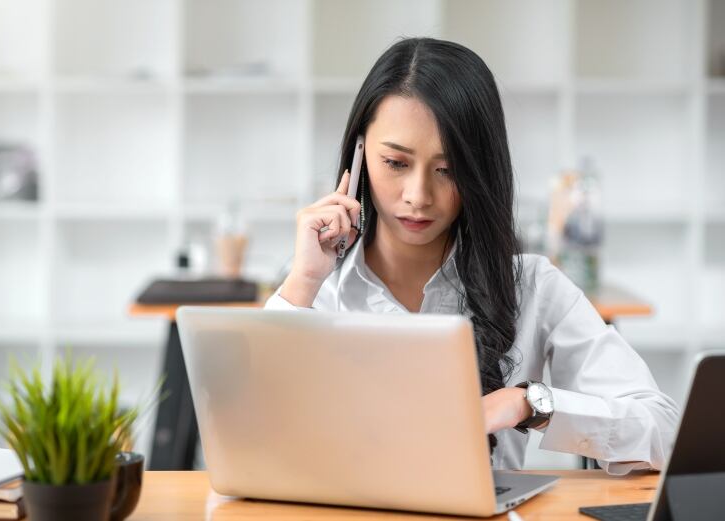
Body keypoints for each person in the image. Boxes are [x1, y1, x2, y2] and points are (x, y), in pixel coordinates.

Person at [264, 37, 679, 475]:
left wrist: (529, 403)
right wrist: (302, 283)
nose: (418, 196)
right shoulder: (316, 288)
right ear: (360, 154)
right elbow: (249, 434)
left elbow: (662, 430)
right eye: (396, 163)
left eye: (448, 170)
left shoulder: (532, 286)